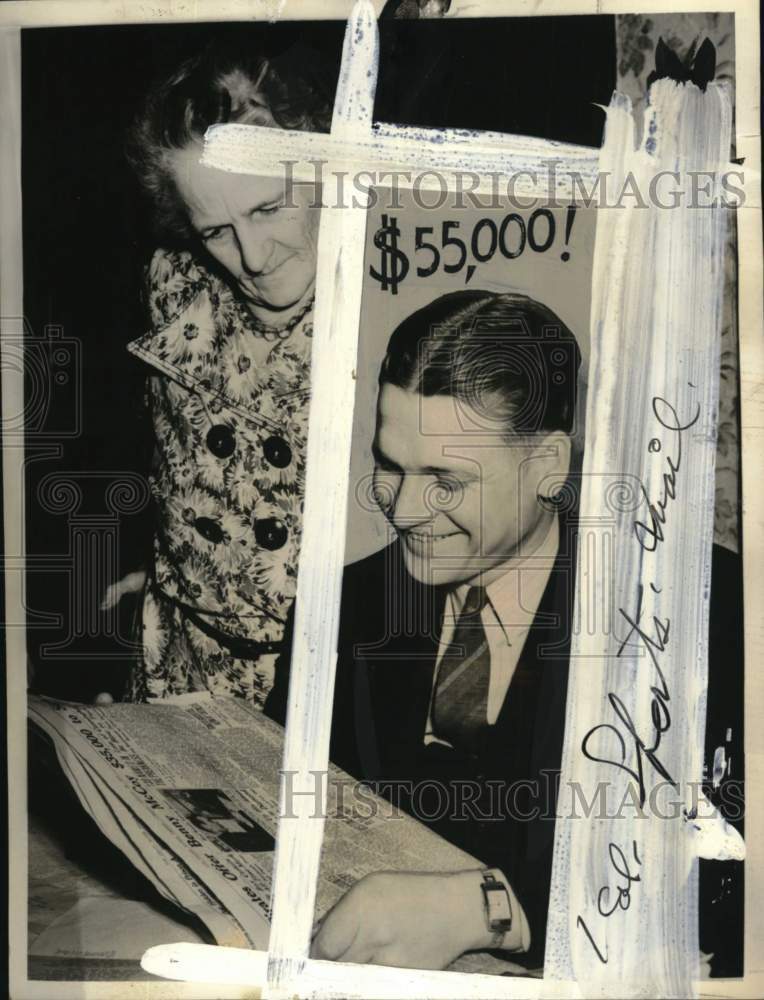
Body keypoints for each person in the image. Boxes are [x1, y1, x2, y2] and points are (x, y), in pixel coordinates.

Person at [267, 289, 743, 972]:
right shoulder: (343, 604)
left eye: (447, 481)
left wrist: (498, 911)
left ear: (550, 467)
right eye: (392, 466)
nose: (403, 510)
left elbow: (722, 877)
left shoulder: (702, 610)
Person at [103, 38, 335, 705]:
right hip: (172, 661)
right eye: (216, 230)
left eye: (268, 208)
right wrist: (163, 569)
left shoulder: (383, 315)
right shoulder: (171, 283)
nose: (254, 256)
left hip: (300, 689)